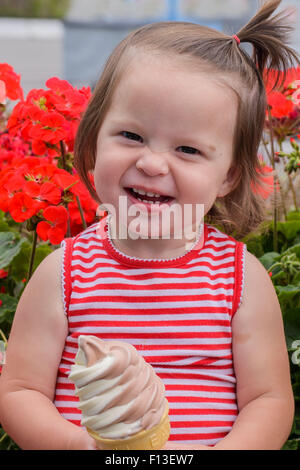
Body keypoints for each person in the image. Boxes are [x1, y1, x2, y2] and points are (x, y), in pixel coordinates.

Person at [0, 0, 298, 450]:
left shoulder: (239, 279)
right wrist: (82, 447)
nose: (153, 162)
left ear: (230, 175)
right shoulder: (65, 274)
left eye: (188, 150)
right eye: (132, 136)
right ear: (94, 138)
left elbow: (269, 400)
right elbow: (21, 391)